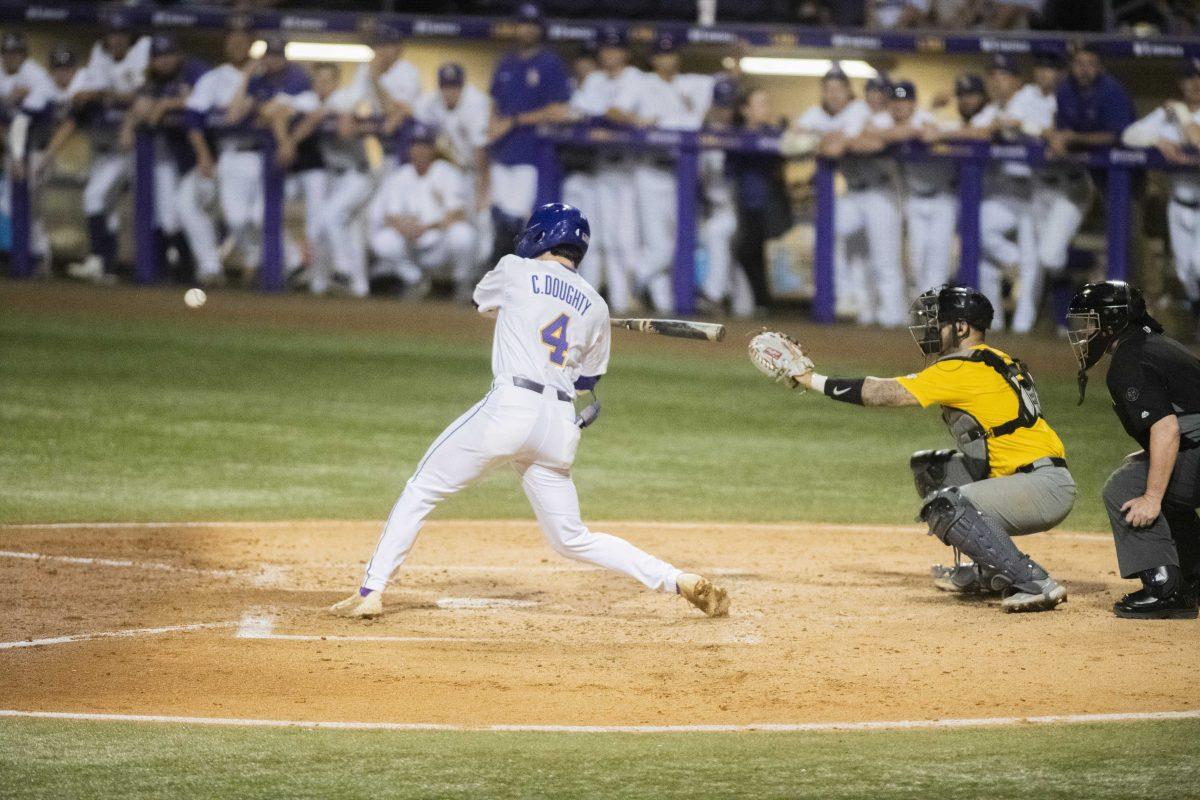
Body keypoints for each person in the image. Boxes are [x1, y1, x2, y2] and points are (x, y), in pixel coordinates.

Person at [329, 203, 730, 619]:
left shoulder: (514, 270)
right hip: (558, 424)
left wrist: (530, 313)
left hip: (510, 409)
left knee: (422, 489)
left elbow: (482, 303)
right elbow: (586, 383)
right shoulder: (595, 305)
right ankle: (675, 578)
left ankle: (370, 591)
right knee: (572, 537)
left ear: (539, 236)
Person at [751, 285, 1074, 612]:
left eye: (939, 323)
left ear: (961, 328)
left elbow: (883, 393)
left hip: (1039, 488)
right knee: (933, 471)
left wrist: (810, 379)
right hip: (1032, 477)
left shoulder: (962, 368)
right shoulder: (994, 359)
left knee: (945, 506)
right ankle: (989, 572)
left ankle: (1034, 581)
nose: (930, 330)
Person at [1068, 281, 1200, 619]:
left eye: (1090, 322)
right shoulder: (1153, 345)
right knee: (1153, 471)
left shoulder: (1130, 358)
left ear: (1111, 321)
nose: (1085, 332)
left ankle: (1164, 588)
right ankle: (1193, 577)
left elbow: (1167, 428)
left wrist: (1152, 497)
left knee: (1126, 487)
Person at [794, 66, 904, 327]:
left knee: (884, 259)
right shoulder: (858, 112)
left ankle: (893, 317)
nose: (877, 97)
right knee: (834, 233)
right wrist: (837, 139)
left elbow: (873, 144)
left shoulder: (890, 117)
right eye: (872, 92)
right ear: (864, 95)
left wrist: (845, 140)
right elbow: (811, 139)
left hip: (882, 191)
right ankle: (854, 303)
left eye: (882, 93)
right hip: (854, 192)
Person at [619, 31, 714, 314]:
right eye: (661, 54)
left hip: (683, 174)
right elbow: (614, 110)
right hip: (649, 170)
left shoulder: (692, 84)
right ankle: (652, 290)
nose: (666, 59)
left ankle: (653, 289)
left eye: (671, 53)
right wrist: (635, 119)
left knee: (683, 240)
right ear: (652, 58)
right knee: (659, 245)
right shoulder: (641, 82)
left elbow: (724, 84)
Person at [65, 12, 151, 282]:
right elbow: (79, 96)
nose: (116, 39)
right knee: (103, 203)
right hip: (110, 147)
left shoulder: (142, 50)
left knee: (100, 197)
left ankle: (105, 261)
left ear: (129, 36)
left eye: (121, 34)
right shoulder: (98, 54)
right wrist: (99, 94)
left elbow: (136, 94)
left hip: (139, 145)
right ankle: (105, 265)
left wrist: (103, 94)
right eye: (112, 34)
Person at [117, 34, 208, 282]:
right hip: (165, 158)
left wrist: (168, 104)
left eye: (168, 55)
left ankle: (189, 266)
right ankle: (175, 267)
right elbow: (140, 105)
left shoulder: (194, 70)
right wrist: (127, 127)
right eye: (158, 57)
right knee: (165, 217)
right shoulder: (152, 80)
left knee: (179, 213)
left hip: (197, 157)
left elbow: (202, 100)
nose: (164, 61)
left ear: (178, 54)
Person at [280, 61, 374, 298]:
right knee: (345, 229)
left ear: (336, 82)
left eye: (328, 80)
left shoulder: (344, 97)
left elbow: (343, 131)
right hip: (334, 178)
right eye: (319, 80)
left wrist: (310, 122)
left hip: (357, 174)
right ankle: (355, 286)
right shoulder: (308, 100)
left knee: (329, 217)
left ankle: (342, 270)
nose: (323, 85)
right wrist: (287, 138)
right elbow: (275, 110)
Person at [487, 3, 571, 262]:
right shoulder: (506, 62)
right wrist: (493, 132)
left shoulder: (550, 64)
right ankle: (496, 277)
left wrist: (514, 121)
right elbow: (494, 106)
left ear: (540, 29)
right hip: (503, 152)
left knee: (519, 223)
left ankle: (515, 280)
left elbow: (560, 111)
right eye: (522, 24)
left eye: (532, 25)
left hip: (533, 154)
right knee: (498, 219)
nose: (526, 30)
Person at [569, 25, 642, 315]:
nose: (609, 54)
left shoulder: (635, 78)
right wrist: (602, 113)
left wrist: (600, 112)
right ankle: (593, 302)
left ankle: (625, 301)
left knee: (623, 240)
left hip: (628, 169)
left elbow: (619, 114)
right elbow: (576, 110)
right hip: (600, 167)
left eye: (615, 48)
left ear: (625, 52)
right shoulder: (596, 79)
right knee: (597, 238)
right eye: (605, 49)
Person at [177, 26, 256, 287]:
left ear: (251, 43)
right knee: (186, 200)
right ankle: (210, 266)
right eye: (232, 39)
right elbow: (193, 115)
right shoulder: (215, 77)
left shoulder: (264, 73)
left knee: (251, 218)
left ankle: (273, 261)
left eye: (242, 39)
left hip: (264, 157)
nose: (236, 44)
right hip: (225, 154)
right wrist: (203, 155)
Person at [1122, 59, 1200, 323]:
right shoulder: (1167, 116)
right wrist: (1157, 139)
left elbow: (1197, 140)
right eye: (1189, 77)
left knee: (1199, 266)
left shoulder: (1179, 112)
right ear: (1181, 82)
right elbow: (1129, 136)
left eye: (1199, 77)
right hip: (1178, 203)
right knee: (1184, 272)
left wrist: (1180, 111)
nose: (1195, 83)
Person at [864, 80, 958, 297]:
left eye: (905, 101)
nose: (899, 106)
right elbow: (868, 131)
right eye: (895, 101)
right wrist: (904, 132)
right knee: (916, 260)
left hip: (942, 195)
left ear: (914, 103)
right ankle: (920, 310)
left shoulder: (927, 117)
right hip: (914, 197)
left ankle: (933, 316)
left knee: (938, 260)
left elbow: (928, 133)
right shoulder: (885, 120)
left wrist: (901, 132)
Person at [367, 121, 476, 299]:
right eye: (416, 145)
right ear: (409, 149)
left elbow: (458, 214)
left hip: (440, 244)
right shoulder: (401, 175)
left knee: (463, 234)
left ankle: (462, 283)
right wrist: (405, 227)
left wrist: (427, 227)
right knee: (383, 241)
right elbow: (391, 215)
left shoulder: (447, 172)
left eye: (424, 145)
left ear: (433, 149)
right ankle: (415, 281)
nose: (420, 150)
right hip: (411, 244)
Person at [5, 42, 84, 275]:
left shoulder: (82, 82)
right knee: (20, 206)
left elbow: (70, 123)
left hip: (59, 151)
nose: (63, 73)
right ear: (51, 70)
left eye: (67, 68)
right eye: (58, 68)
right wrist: (18, 157)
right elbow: (20, 122)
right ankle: (38, 256)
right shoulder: (44, 88)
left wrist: (46, 156)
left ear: (74, 69)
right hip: (37, 150)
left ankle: (40, 256)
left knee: (32, 205)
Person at [414, 63, 493, 279]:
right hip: (457, 170)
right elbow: (418, 122)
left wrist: (483, 190)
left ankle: (482, 275)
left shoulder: (475, 104)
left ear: (462, 86)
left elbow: (481, 152)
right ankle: (459, 277)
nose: (450, 92)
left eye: (454, 87)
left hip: (484, 168)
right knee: (460, 223)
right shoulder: (432, 103)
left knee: (482, 220)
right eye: (446, 87)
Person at [726, 86, 790, 316]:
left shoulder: (773, 133)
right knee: (747, 250)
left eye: (766, 103)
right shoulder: (734, 134)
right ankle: (760, 302)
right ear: (745, 109)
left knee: (750, 249)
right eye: (759, 103)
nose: (765, 108)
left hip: (765, 203)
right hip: (738, 203)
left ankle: (763, 302)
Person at [698, 77, 756, 317]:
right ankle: (739, 304)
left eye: (729, 106)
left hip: (731, 210)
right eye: (720, 105)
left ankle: (713, 295)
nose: (724, 112)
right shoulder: (701, 132)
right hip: (703, 210)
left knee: (718, 234)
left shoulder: (743, 133)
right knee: (726, 260)